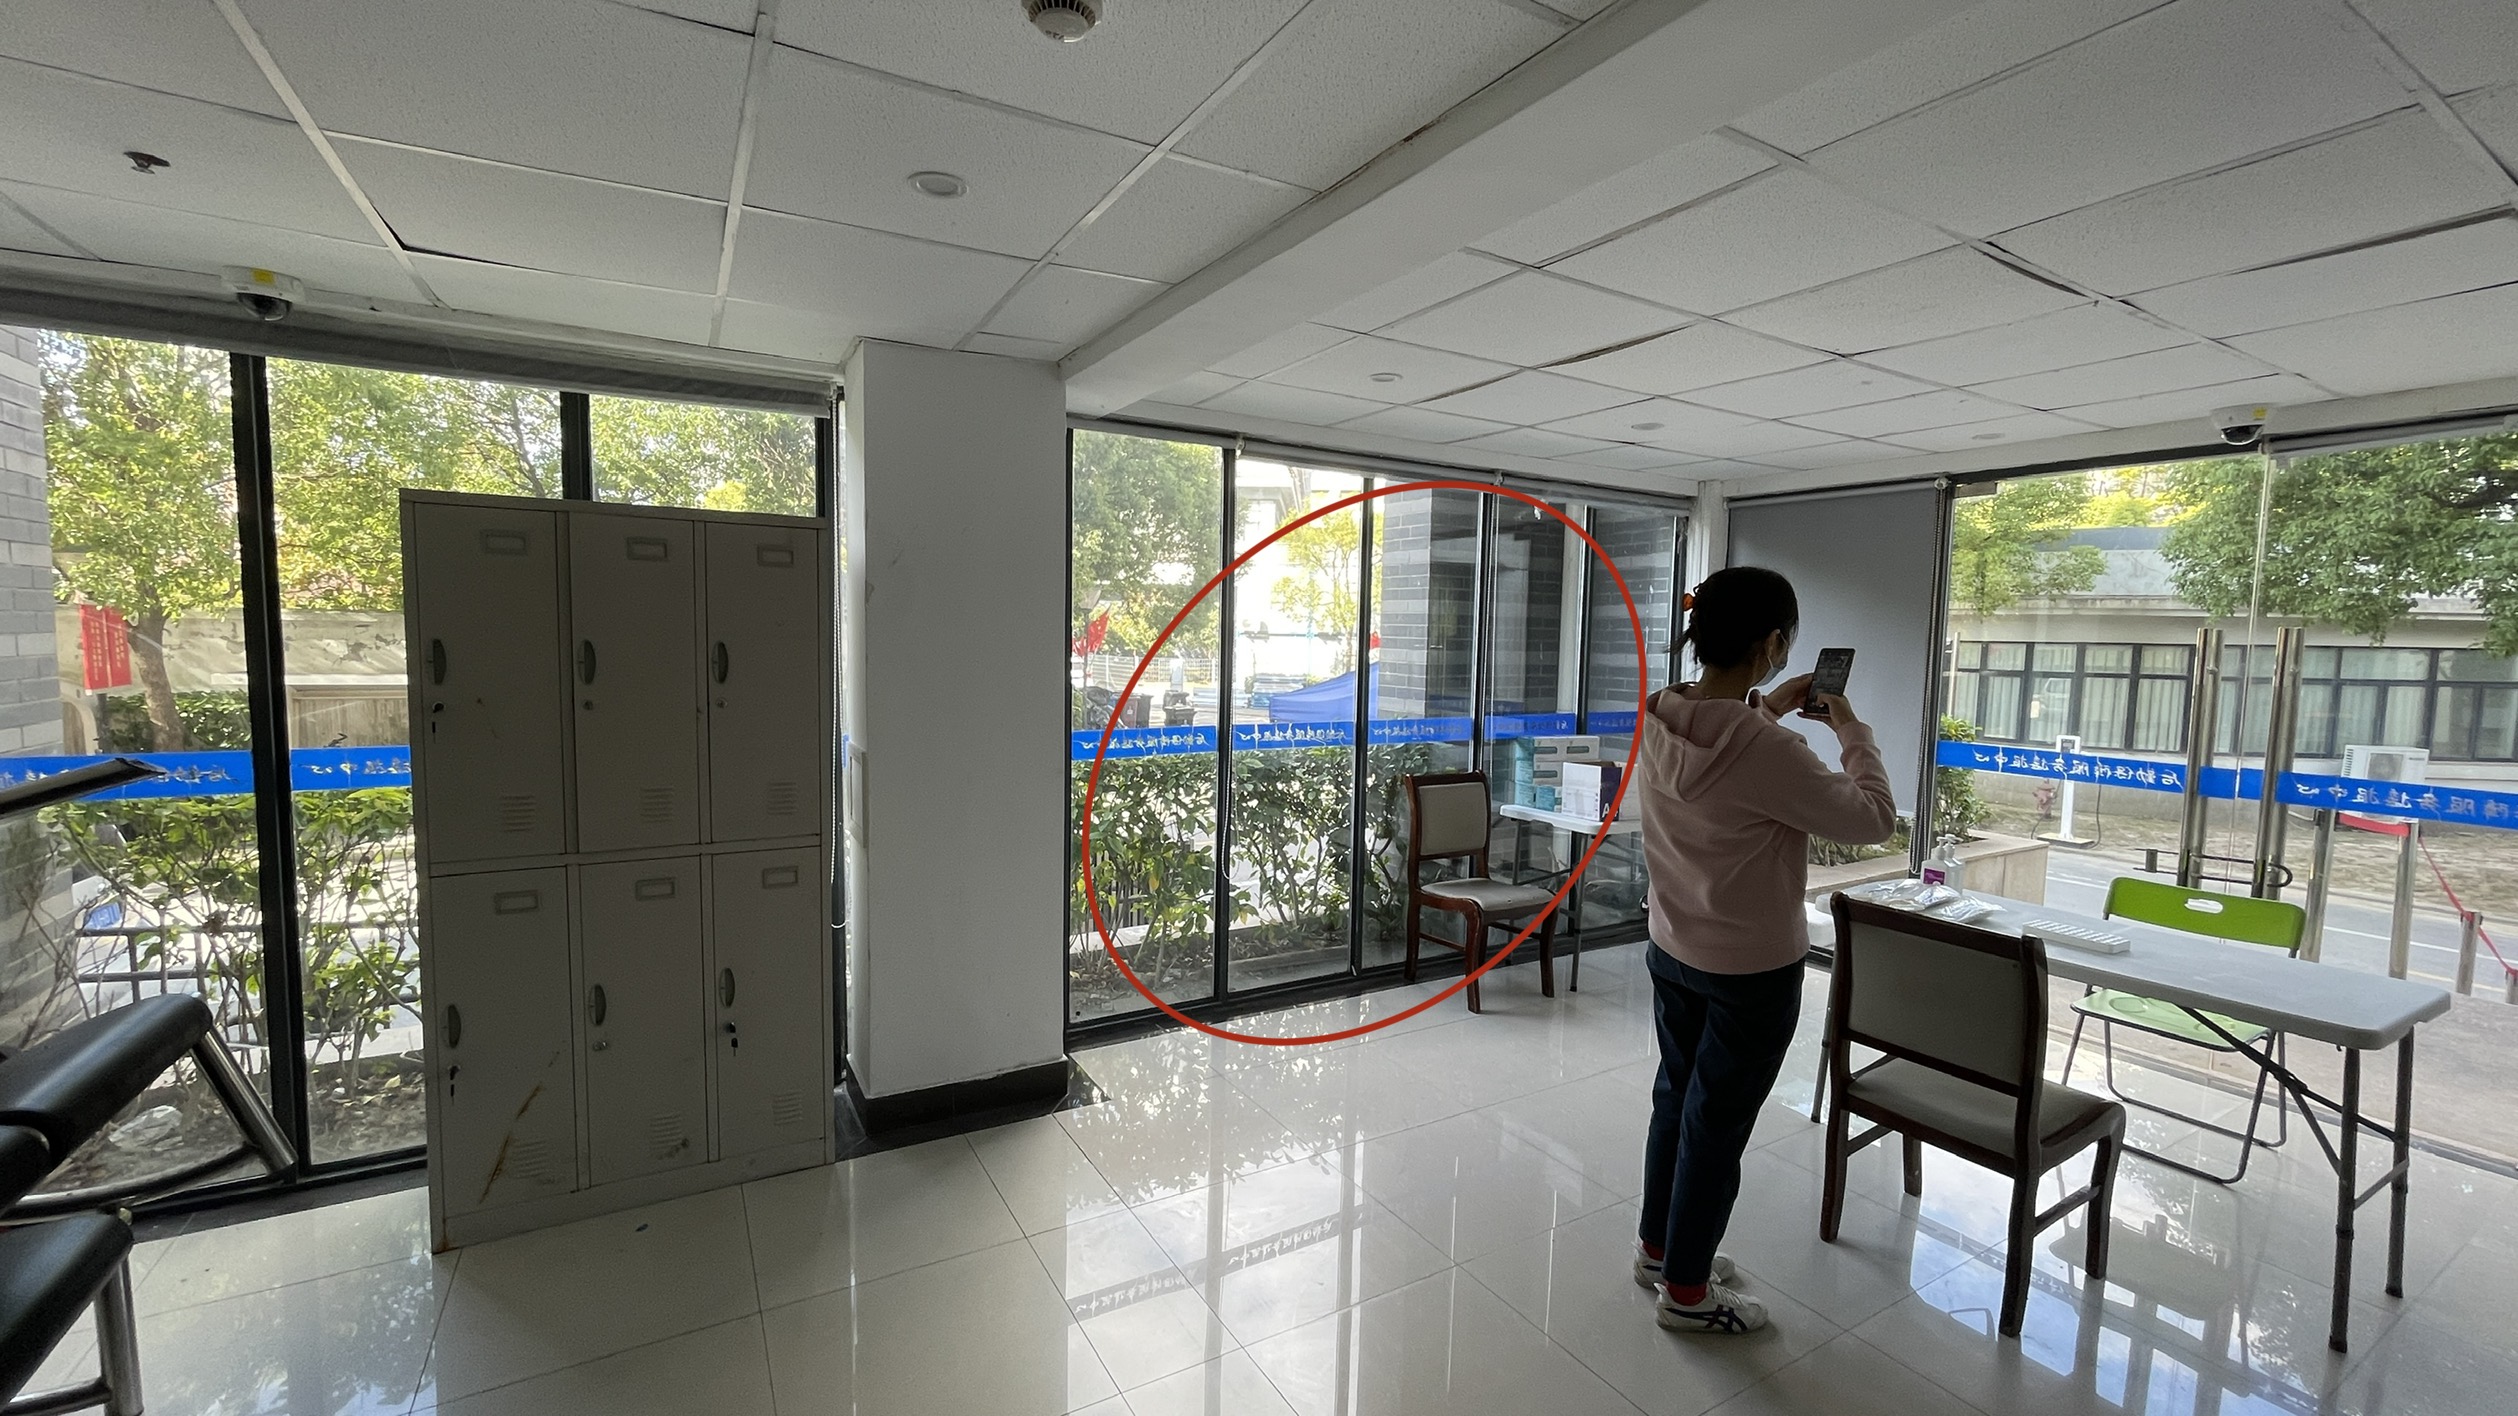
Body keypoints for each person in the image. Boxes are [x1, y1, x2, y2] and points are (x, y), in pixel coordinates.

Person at [1631, 566, 1895, 1335]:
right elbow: (1874, 817)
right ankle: (1687, 1295)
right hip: (1749, 971)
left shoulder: (1659, 712)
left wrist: (1768, 706)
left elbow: (1723, 745)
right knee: (1716, 1126)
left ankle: (1659, 1249)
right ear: (1774, 643)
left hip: (1672, 945)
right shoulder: (1767, 750)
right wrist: (1850, 729)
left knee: (1676, 1101)